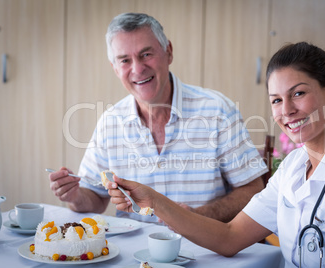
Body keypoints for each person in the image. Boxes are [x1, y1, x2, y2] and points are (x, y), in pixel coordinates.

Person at [108, 42, 325, 267]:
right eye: (276, 100)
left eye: (298, 93)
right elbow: (230, 236)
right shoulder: (292, 169)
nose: (286, 110)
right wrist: (153, 201)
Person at [49, 13, 266, 223]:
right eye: (125, 60)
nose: (138, 69)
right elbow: (95, 199)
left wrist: (197, 218)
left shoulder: (218, 110)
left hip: (204, 251)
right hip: (134, 255)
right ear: (115, 68)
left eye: (146, 54)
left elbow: (253, 190)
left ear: (168, 52)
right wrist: (74, 196)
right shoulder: (110, 122)